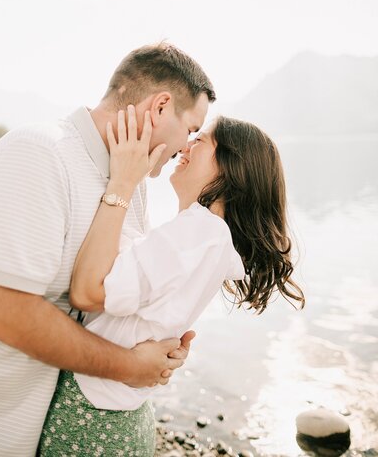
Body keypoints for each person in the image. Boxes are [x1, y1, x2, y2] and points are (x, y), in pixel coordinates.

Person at [0, 42, 216, 457]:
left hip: (57, 426)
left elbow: (111, 295)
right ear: (161, 107)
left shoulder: (132, 180)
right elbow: (7, 314)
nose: (187, 145)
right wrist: (129, 367)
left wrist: (159, 341)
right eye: (191, 128)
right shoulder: (39, 153)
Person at [38, 106, 305, 456]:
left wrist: (122, 182)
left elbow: (90, 291)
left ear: (231, 166)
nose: (186, 145)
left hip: (94, 415)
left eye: (202, 139)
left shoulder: (198, 234)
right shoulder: (209, 241)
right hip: (119, 411)